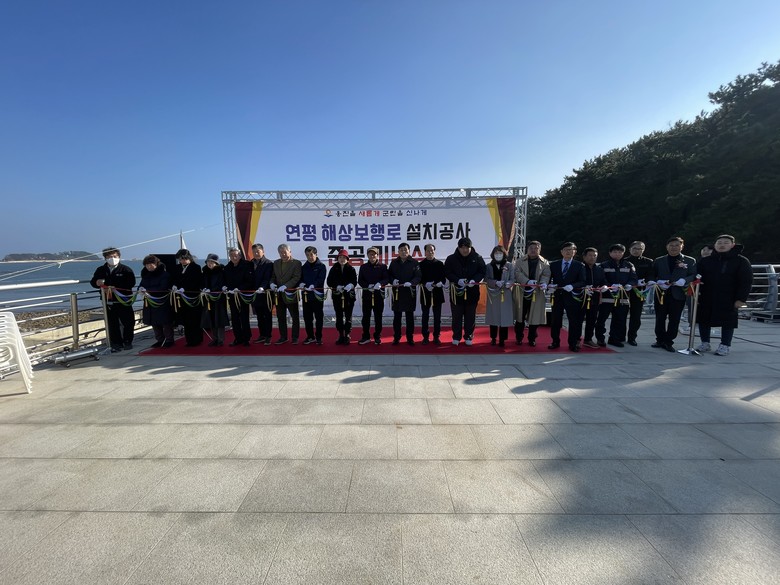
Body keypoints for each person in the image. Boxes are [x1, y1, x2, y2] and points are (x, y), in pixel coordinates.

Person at [695, 234, 753, 356]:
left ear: (732, 245)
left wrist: (741, 299)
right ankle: (705, 342)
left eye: (726, 243)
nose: (722, 245)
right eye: (719, 243)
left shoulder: (741, 261)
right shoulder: (706, 260)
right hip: (706, 295)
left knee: (728, 321)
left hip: (729, 297)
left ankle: (725, 345)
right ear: (715, 245)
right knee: (703, 319)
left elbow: (746, 281)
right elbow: (696, 276)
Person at [651, 236, 697, 352]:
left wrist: (684, 280)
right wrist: (658, 281)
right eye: (671, 245)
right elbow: (652, 274)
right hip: (661, 293)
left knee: (675, 319)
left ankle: (668, 341)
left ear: (682, 246)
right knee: (660, 318)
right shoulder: (659, 260)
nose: (674, 247)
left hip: (678, 293)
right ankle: (659, 340)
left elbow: (693, 275)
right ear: (667, 247)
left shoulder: (689, 261)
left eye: (677, 245)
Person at [90, 246, 136, 352]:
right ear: (105, 258)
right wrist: (97, 283)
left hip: (123, 300)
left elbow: (131, 283)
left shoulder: (126, 269)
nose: (112, 258)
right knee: (112, 323)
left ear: (119, 257)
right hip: (108, 301)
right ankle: (116, 343)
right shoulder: (101, 270)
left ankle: (127, 341)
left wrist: (114, 286)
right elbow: (93, 282)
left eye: (115, 256)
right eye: (109, 257)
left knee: (128, 322)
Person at [444, 237, 486, 346]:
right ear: (458, 248)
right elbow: (447, 272)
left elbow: (482, 271)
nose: (465, 250)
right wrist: (457, 280)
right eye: (462, 247)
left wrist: (474, 280)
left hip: (472, 292)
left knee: (470, 316)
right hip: (456, 292)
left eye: (467, 247)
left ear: (471, 247)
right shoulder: (451, 258)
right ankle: (456, 336)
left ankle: (469, 336)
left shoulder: (477, 258)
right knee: (456, 316)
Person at [595, 244, 638, 348]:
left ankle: (614, 339)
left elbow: (633, 278)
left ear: (623, 253)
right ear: (610, 253)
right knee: (601, 319)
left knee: (620, 320)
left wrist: (630, 284)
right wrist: (609, 285)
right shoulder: (603, 265)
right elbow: (601, 279)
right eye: (615, 252)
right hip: (607, 297)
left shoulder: (629, 265)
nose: (617, 254)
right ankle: (600, 338)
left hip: (622, 297)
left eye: (620, 252)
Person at [548, 242, 587, 352]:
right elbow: (548, 279)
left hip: (573, 297)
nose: (568, 251)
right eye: (566, 249)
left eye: (571, 249)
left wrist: (573, 286)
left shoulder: (579, 265)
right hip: (558, 296)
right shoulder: (554, 265)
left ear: (575, 252)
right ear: (561, 252)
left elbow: (583, 281)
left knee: (573, 321)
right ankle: (555, 341)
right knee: (555, 320)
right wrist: (549, 286)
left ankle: (573, 343)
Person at [512, 240, 551, 347]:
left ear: (540, 250)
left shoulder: (545, 263)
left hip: (537, 292)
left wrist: (543, 283)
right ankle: (519, 337)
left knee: (535, 317)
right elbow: (517, 273)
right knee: (520, 316)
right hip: (522, 291)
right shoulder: (519, 261)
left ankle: (532, 338)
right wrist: (527, 281)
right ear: (527, 249)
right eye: (531, 248)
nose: (533, 250)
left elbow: (546, 275)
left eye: (536, 248)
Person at [388, 242, 422, 345]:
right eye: (401, 250)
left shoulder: (414, 263)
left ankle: (410, 338)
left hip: (409, 292)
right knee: (397, 316)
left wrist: (411, 283)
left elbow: (418, 276)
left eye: (405, 250)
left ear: (409, 251)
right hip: (397, 293)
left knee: (409, 316)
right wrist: (392, 281)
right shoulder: (394, 263)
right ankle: (396, 337)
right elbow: (389, 275)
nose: (403, 252)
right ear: (398, 252)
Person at [138, 255, 174, 348]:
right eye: (147, 265)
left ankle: (169, 340)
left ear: (156, 264)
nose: (149, 267)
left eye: (151, 264)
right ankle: (159, 339)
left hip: (162, 300)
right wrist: (141, 289)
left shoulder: (164, 274)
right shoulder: (145, 274)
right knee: (153, 321)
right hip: (149, 300)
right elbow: (141, 285)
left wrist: (148, 290)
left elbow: (163, 287)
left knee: (165, 321)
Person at [271, 243, 303, 344]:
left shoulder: (296, 263)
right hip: (279, 295)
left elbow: (296, 277)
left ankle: (295, 337)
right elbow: (273, 277)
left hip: (290, 294)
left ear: (290, 252)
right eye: (281, 253)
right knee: (280, 317)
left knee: (294, 317)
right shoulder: (276, 263)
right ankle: (283, 337)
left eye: (285, 252)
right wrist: (272, 283)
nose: (283, 254)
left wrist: (286, 286)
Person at [171, 248, 203, 347]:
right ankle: (189, 340)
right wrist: (174, 285)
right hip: (180, 297)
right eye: (180, 259)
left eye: (184, 259)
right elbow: (174, 279)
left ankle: (197, 339)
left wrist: (185, 288)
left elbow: (196, 281)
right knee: (185, 319)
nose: (182, 261)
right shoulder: (177, 268)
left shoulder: (196, 267)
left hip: (192, 297)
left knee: (194, 319)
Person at [358, 246, 389, 344]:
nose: (372, 256)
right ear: (367, 255)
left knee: (378, 317)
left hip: (378, 295)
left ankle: (377, 336)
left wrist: (380, 283)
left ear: (377, 255)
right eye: (370, 254)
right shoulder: (363, 267)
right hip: (367, 295)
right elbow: (360, 280)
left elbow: (386, 279)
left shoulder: (383, 266)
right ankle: (366, 336)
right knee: (366, 317)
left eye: (374, 254)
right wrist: (367, 286)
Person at [223, 247, 254, 347]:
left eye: (236, 255)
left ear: (240, 256)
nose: (234, 257)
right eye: (231, 255)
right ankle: (238, 338)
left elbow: (250, 280)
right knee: (235, 318)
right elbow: (225, 280)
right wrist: (225, 287)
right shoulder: (227, 267)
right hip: (232, 296)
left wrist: (240, 288)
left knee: (244, 317)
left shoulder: (247, 265)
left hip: (242, 295)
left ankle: (246, 338)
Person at [484, 245, 514, 346]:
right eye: (496, 253)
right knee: (493, 316)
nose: (498, 255)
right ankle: (493, 338)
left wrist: (509, 283)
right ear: (493, 254)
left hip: (505, 293)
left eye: (500, 253)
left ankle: (502, 339)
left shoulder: (509, 265)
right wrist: (495, 282)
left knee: (504, 317)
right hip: (493, 294)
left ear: (504, 254)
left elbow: (513, 278)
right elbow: (486, 279)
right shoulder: (489, 266)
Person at [327, 249, 358, 345]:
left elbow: (354, 281)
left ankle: (347, 334)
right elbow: (329, 281)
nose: (342, 259)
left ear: (347, 259)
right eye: (340, 257)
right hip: (337, 296)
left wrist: (351, 285)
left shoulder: (351, 269)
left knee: (348, 316)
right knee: (339, 316)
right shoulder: (334, 269)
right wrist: (336, 286)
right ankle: (341, 334)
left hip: (349, 296)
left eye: (344, 257)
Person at [626, 241, 654, 346]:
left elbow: (651, 274)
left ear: (643, 250)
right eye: (634, 248)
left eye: (639, 249)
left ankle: (632, 337)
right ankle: (619, 336)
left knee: (636, 315)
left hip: (640, 291)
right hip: (626, 290)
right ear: (630, 249)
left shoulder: (648, 261)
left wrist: (648, 281)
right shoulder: (624, 261)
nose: (637, 251)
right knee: (621, 314)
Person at [419, 243, 446, 345]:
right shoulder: (421, 264)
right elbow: (419, 278)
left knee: (437, 317)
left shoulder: (439, 264)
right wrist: (425, 284)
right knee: (425, 316)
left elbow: (443, 278)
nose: (430, 252)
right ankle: (425, 337)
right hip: (425, 293)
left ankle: (436, 336)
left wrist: (440, 283)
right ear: (425, 252)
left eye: (432, 251)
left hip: (437, 293)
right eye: (428, 251)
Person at [580, 247, 607, 349]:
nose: (592, 257)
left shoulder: (599, 270)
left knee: (591, 320)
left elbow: (603, 281)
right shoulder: (579, 267)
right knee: (578, 320)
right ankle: (576, 339)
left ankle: (588, 339)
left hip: (594, 299)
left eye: (594, 256)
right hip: (580, 298)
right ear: (584, 257)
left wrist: (604, 286)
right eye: (590, 255)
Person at [300, 246, 327, 345]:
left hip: (317, 295)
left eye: (311, 255)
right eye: (307, 255)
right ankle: (310, 336)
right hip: (306, 295)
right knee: (307, 318)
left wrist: (314, 285)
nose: (310, 257)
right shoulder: (304, 267)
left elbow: (321, 279)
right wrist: (301, 284)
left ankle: (319, 337)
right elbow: (300, 278)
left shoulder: (321, 266)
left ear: (316, 254)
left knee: (318, 317)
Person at [202, 253, 229, 347]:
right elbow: (203, 283)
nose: (209, 264)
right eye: (208, 262)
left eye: (212, 262)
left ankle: (220, 339)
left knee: (219, 319)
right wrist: (204, 288)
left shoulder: (221, 271)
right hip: (209, 298)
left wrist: (213, 290)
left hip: (219, 298)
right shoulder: (205, 272)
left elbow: (222, 283)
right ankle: (215, 338)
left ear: (216, 263)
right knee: (211, 318)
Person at [250, 243, 274, 345]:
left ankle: (268, 336)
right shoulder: (250, 263)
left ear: (263, 251)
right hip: (255, 294)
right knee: (259, 316)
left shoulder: (269, 263)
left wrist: (262, 287)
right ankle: (262, 335)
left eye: (258, 251)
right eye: (254, 252)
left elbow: (267, 278)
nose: (256, 253)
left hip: (266, 294)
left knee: (267, 316)